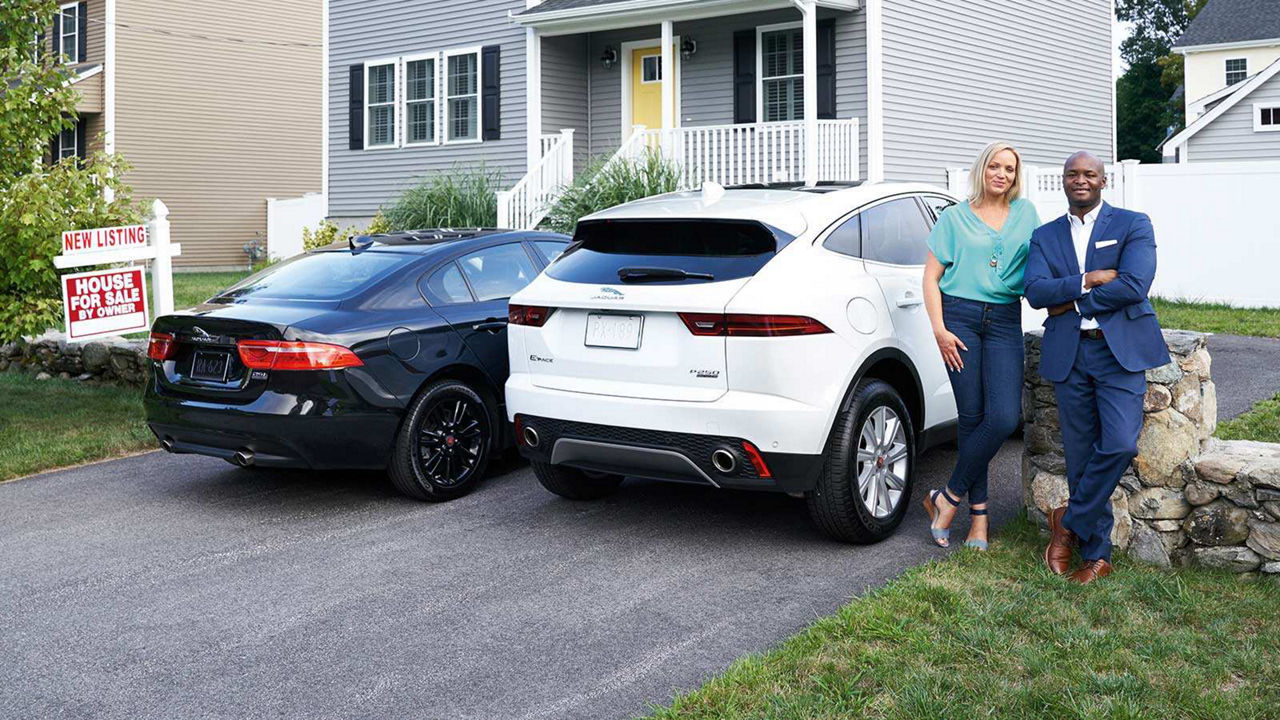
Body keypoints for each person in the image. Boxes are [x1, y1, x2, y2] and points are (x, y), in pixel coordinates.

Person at [1024, 151, 1170, 584]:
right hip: (1070, 353)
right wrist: (1087, 280)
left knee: (1122, 443)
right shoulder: (1045, 236)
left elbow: (1134, 284)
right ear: (1064, 182)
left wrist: (1068, 301)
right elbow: (1034, 292)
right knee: (1082, 456)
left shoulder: (1132, 224)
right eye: (1073, 174)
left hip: (1117, 351)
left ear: (1104, 181)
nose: (1081, 180)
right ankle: (1098, 555)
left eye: (1089, 174)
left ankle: (1067, 521)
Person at [921, 141, 1040, 550]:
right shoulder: (954, 218)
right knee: (972, 419)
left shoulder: (1026, 214)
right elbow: (931, 278)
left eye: (1009, 168)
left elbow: (1040, 262)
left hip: (1006, 318)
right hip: (961, 320)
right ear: (982, 169)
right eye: (995, 166)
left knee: (1003, 417)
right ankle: (979, 522)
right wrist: (939, 329)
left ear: (1015, 176)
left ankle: (946, 498)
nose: (1001, 174)